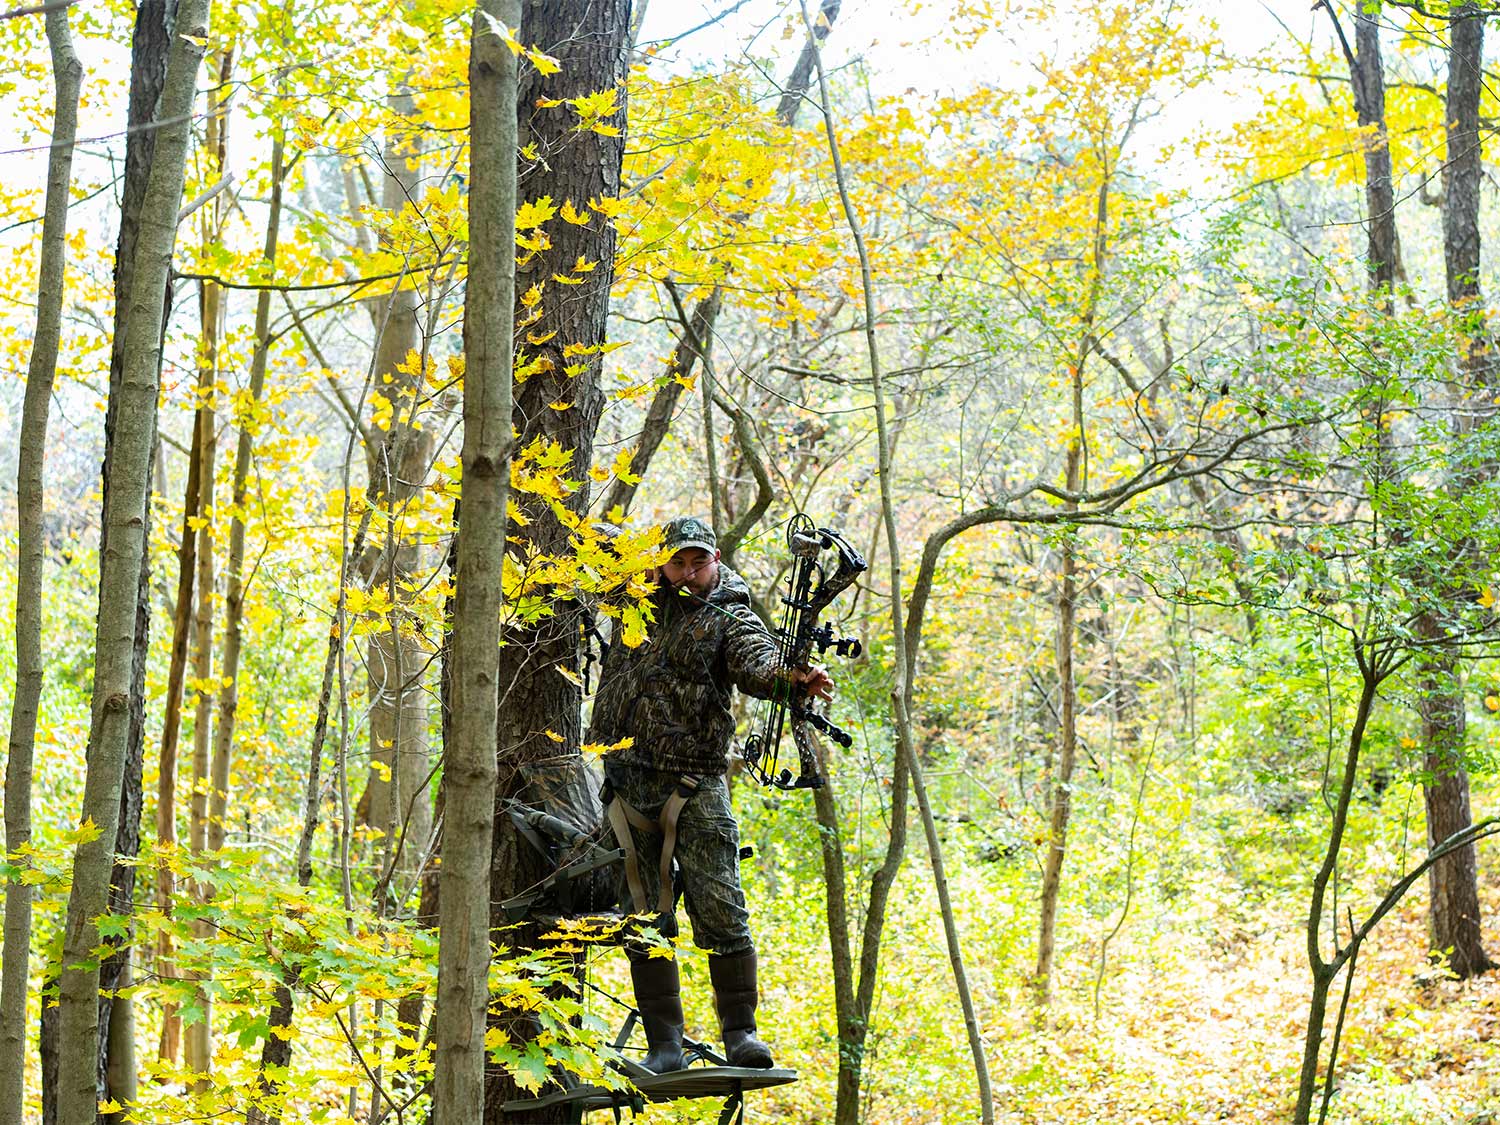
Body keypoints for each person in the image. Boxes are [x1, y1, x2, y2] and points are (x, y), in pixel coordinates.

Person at [587, 515, 832, 1073]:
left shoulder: (730, 613)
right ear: (661, 561)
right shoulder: (634, 595)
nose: (690, 572)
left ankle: (740, 1035)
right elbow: (592, 547)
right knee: (641, 916)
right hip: (627, 783)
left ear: (714, 559)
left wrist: (793, 677)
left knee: (720, 905)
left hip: (694, 783)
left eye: (699, 561)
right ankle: (664, 1045)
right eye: (678, 562)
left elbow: (756, 662)